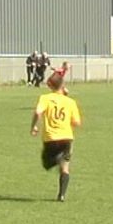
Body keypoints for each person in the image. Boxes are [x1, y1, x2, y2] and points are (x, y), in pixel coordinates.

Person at [30, 73, 82, 202]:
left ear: (49, 85)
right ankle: (62, 195)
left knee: (47, 164)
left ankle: (58, 158)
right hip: (67, 137)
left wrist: (34, 126)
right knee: (65, 168)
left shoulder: (45, 98)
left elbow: (38, 112)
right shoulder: (70, 101)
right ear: (62, 85)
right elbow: (77, 122)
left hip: (51, 138)